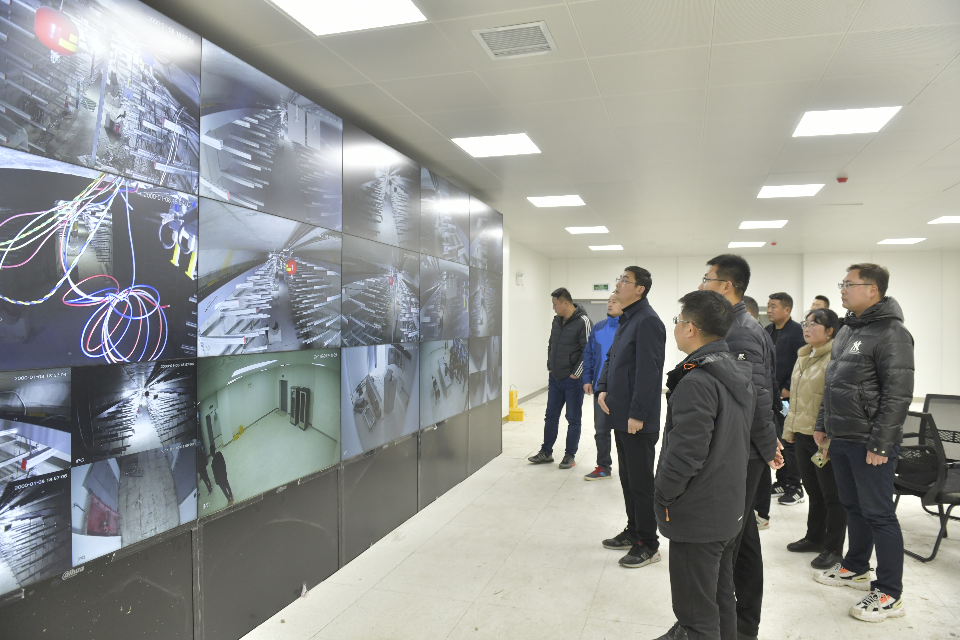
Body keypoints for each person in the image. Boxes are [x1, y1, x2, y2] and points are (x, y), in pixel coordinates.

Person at [814, 264, 913, 623]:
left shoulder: (893, 333)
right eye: (841, 283)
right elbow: (832, 384)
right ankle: (856, 566)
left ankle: (889, 592)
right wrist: (823, 424)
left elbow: (898, 395)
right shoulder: (848, 329)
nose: (842, 289)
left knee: (879, 514)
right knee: (852, 506)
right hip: (842, 436)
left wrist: (881, 444)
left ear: (873, 290)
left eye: (849, 284)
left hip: (870, 442)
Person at [654, 290, 754, 640]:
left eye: (678, 321)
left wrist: (664, 494)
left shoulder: (697, 381)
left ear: (691, 328)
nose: (676, 327)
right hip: (726, 508)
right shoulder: (735, 371)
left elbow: (686, 455)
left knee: (696, 614)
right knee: (720, 596)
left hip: (697, 516)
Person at [698, 254, 782, 640]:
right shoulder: (733, 325)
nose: (702, 285)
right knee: (743, 536)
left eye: (707, 279)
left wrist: (767, 447)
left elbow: (757, 396)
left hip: (743, 452)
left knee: (727, 543)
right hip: (741, 448)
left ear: (726, 286)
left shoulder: (741, 331)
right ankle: (743, 625)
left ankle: (725, 626)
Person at [597, 267, 666, 568]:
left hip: (636, 420)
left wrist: (638, 414)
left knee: (640, 483)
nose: (618, 284)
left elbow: (649, 372)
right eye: (619, 279)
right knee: (627, 479)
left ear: (640, 289)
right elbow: (612, 358)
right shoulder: (627, 319)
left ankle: (648, 544)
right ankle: (634, 531)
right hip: (620, 415)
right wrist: (602, 387)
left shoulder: (648, 321)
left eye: (625, 281)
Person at [782, 308, 846, 570]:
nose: (807, 328)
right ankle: (814, 538)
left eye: (814, 324)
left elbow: (833, 402)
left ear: (830, 331)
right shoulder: (804, 356)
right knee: (813, 491)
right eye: (805, 323)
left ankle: (833, 548)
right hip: (803, 434)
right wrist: (790, 431)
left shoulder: (835, 358)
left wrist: (828, 437)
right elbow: (796, 400)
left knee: (832, 495)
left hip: (823, 438)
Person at [528, 287, 592, 469]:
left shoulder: (583, 321)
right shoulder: (556, 321)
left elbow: (588, 351)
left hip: (573, 381)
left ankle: (569, 455)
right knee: (551, 416)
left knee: (573, 419)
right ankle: (546, 452)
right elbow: (552, 344)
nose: (553, 308)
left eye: (555, 304)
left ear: (565, 303)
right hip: (555, 378)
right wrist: (550, 366)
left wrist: (576, 374)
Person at [765, 292, 806, 506]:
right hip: (771, 396)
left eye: (774, 306)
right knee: (777, 439)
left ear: (787, 310)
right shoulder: (767, 331)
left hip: (789, 397)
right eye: (768, 306)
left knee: (790, 441)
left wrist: (789, 388)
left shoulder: (798, 332)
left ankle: (795, 486)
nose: (769, 310)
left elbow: (802, 363)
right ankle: (781, 481)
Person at [581, 294, 623, 480]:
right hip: (600, 388)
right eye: (609, 301)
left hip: (622, 390)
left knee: (623, 432)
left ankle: (628, 468)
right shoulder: (598, 328)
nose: (610, 304)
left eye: (615, 301)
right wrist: (587, 379)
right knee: (601, 431)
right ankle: (603, 467)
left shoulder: (628, 328)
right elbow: (589, 355)